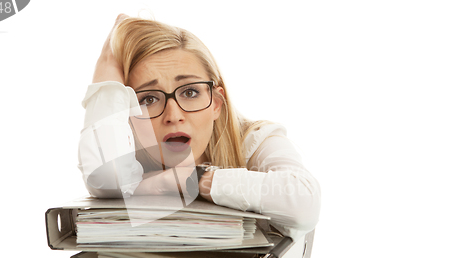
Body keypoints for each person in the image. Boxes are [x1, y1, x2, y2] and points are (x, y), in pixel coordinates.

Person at [78, 14, 321, 240]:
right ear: (128, 116)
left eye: (190, 92)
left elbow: (304, 204)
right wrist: (108, 76)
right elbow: (105, 176)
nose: (173, 116)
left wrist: (195, 179)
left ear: (216, 103)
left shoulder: (256, 140)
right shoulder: (127, 159)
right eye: (149, 99)